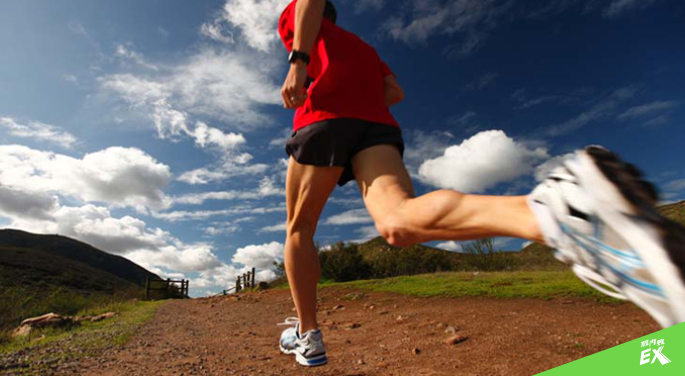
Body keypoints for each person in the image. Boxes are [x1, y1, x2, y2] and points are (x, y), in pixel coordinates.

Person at [276, 0, 685, 367]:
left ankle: (308, 333)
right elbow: (393, 91)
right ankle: (560, 211)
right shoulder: (365, 48)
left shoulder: (304, 21)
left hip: (324, 111)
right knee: (397, 223)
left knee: (300, 227)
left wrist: (300, 62)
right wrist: (359, 90)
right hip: (375, 126)